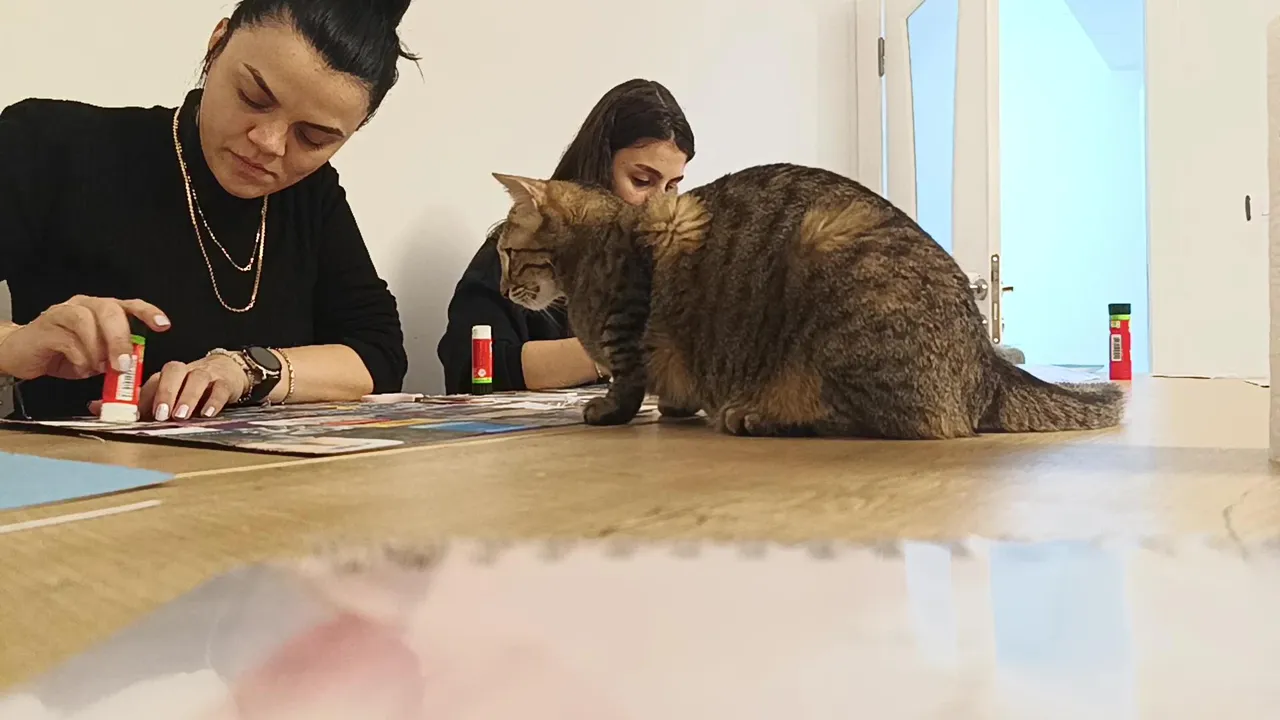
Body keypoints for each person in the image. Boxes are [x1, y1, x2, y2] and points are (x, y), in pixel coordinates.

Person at [0, 0, 414, 421]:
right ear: (217, 44)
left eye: (313, 138)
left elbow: (378, 354)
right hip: (67, 460)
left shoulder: (310, 194)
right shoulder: (49, 147)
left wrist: (244, 370)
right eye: (253, 97)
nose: (269, 142)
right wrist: (11, 346)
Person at [437, 79, 695, 394]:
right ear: (600, 168)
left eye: (671, 186)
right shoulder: (518, 250)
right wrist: (619, 350)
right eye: (642, 181)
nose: (659, 204)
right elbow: (473, 369)